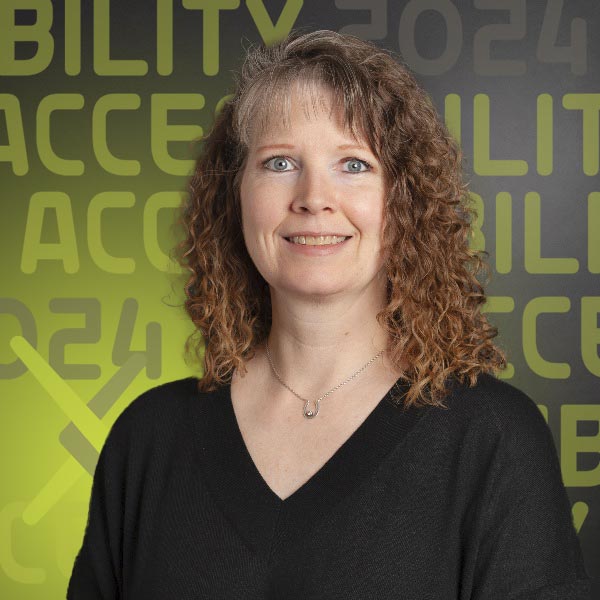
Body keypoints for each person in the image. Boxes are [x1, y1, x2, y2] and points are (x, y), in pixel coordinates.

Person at [67, 30, 591, 599]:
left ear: (404, 200)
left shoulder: (492, 440)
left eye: (353, 165)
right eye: (281, 161)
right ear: (235, 194)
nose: (314, 197)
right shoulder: (147, 439)